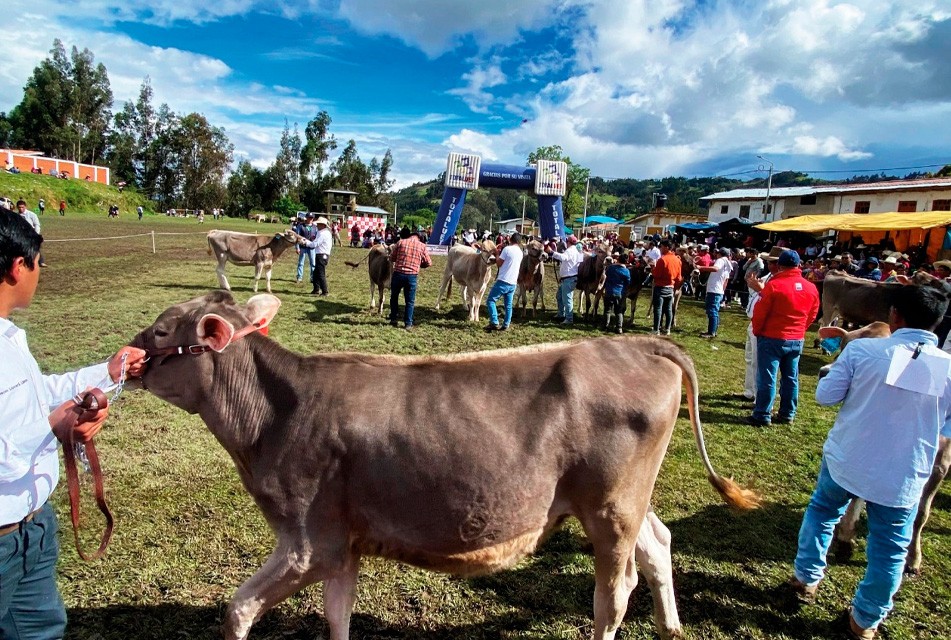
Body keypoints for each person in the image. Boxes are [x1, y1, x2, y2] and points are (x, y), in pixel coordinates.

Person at [0, 207, 147, 638]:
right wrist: (53, 426)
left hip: (32, 531)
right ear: (17, 266)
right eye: (38, 264)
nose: (39, 274)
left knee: (42, 630)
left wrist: (108, 371)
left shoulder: (9, 337)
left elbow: (36, 394)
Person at [789, 284, 951, 640]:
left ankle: (806, 578)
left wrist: (832, 371)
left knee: (822, 512)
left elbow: (825, 396)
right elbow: (946, 425)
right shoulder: (949, 367)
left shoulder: (863, 350)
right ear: (937, 324)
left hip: (848, 457)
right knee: (891, 548)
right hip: (904, 473)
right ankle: (864, 621)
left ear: (894, 316)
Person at [748, 249, 820, 426]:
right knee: (791, 378)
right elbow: (813, 312)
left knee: (767, 377)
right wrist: (801, 328)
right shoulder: (811, 287)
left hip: (772, 336)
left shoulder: (774, 286)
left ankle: (763, 414)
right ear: (799, 266)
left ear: (780, 265)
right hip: (796, 338)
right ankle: (788, 413)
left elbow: (760, 312)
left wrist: (758, 331)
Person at [389, 228, 432, 330]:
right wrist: (420, 264)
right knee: (410, 301)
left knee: (394, 297)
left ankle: (393, 318)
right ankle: (408, 323)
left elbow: (392, 257)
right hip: (411, 276)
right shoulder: (422, 246)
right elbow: (429, 263)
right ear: (419, 238)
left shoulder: (401, 242)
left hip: (398, 274)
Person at [484, 232, 523, 332]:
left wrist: (497, 254)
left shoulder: (507, 249)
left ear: (511, 240)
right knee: (508, 305)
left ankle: (494, 321)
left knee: (490, 300)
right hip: (513, 282)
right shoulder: (520, 252)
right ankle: (506, 324)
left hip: (503, 280)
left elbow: (499, 263)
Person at [547, 234, 585, 325]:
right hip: (569, 278)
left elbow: (563, 257)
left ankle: (569, 319)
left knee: (567, 299)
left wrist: (551, 252)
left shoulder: (570, 251)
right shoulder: (577, 251)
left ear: (568, 242)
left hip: (568, 279)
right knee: (559, 296)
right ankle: (561, 314)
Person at [697, 247, 733, 338]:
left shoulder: (720, 260)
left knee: (712, 311)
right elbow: (726, 280)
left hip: (714, 289)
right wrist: (722, 291)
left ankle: (711, 332)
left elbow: (716, 269)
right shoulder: (728, 264)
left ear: (720, 253)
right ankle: (713, 331)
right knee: (715, 311)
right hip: (719, 290)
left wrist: (701, 267)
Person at [651, 239, 682, 335]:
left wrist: (652, 268)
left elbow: (656, 275)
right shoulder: (677, 260)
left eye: (661, 247)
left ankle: (656, 329)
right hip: (671, 287)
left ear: (666, 247)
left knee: (658, 309)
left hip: (660, 287)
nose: (660, 249)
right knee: (669, 309)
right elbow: (679, 277)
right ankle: (667, 329)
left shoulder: (662, 260)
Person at [300, 217, 333, 296]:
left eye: (318, 224)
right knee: (316, 273)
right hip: (322, 254)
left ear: (322, 225)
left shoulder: (322, 233)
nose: (317, 225)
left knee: (320, 274)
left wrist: (305, 242)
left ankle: (325, 291)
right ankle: (316, 289)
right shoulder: (325, 232)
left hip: (321, 255)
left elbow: (314, 244)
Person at [603, 253, 631, 334]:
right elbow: (628, 282)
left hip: (609, 291)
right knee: (619, 311)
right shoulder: (626, 271)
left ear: (618, 259)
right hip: (620, 293)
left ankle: (606, 326)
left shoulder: (611, 268)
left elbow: (606, 275)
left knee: (607, 310)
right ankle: (619, 327)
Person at [15, 200, 45, 268]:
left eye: (22, 207)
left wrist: (36, 234)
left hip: (31, 233)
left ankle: (41, 262)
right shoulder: (16, 216)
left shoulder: (32, 214)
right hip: (21, 234)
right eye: (19, 207)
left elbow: (37, 224)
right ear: (17, 207)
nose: (21, 209)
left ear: (25, 207)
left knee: (35, 248)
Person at [293, 214, 318, 284]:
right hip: (302, 247)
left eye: (311, 218)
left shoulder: (315, 227)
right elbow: (297, 237)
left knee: (313, 263)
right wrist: (297, 248)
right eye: (309, 218)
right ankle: (299, 277)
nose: (310, 219)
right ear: (306, 218)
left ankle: (313, 277)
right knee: (301, 263)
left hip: (312, 247)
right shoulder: (300, 226)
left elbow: (317, 237)